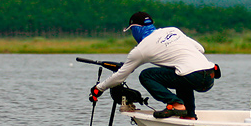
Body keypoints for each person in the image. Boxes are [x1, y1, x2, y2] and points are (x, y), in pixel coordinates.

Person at [88, 11, 219, 119]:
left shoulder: (141, 49)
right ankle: (189, 115)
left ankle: (175, 104)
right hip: (210, 74)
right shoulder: (173, 30)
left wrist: (98, 89)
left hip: (194, 76)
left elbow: (120, 77)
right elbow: (200, 49)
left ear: (136, 29)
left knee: (146, 75)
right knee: (180, 72)